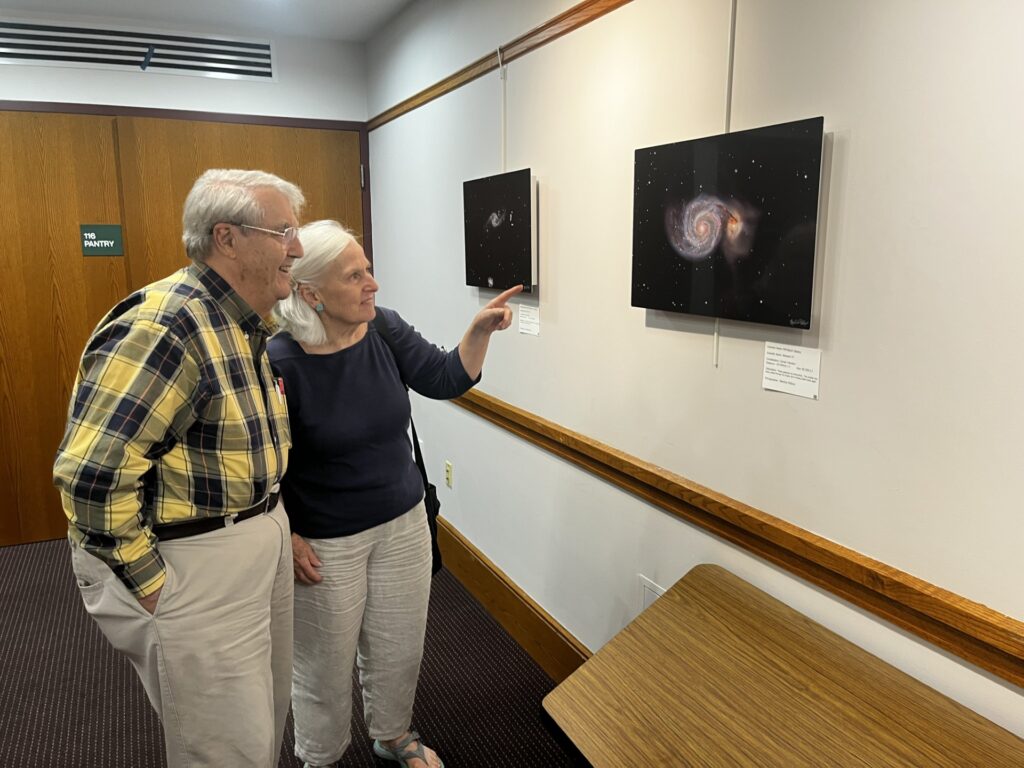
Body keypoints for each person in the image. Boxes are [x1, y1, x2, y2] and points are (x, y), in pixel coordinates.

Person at [53, 169, 305, 768]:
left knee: (261, 721)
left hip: (250, 537)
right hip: (190, 559)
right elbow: (92, 477)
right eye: (285, 230)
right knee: (222, 745)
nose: (297, 246)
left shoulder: (241, 322)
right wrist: (156, 589)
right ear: (228, 238)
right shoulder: (168, 326)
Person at [269, 220, 521, 768]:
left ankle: (392, 734)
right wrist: (286, 534)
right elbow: (261, 467)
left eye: (369, 269)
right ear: (310, 293)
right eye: (354, 275)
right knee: (323, 664)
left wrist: (478, 331)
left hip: (403, 523)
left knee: (397, 646)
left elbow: (445, 376)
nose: (373, 284)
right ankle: (321, 756)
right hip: (324, 541)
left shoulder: (383, 329)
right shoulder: (279, 361)